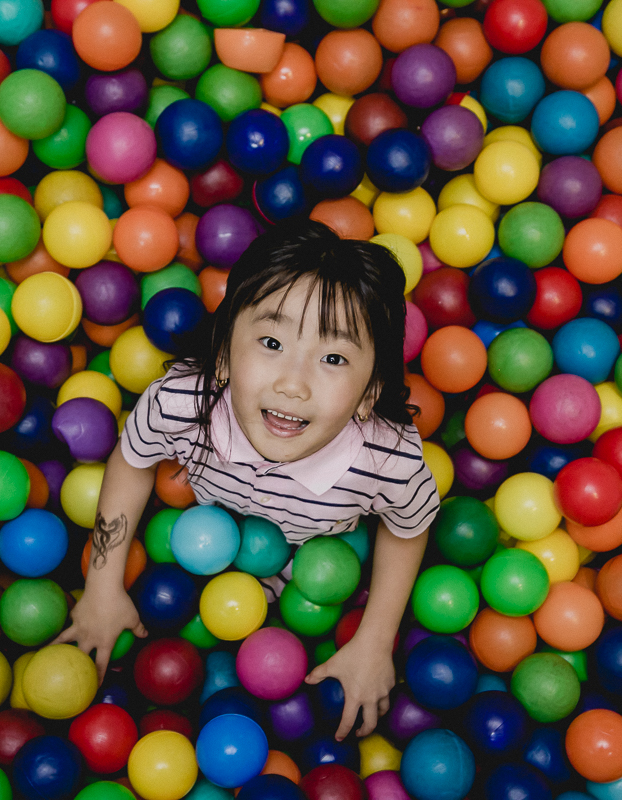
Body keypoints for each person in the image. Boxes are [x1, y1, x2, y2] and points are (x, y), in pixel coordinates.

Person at [58, 219, 439, 740]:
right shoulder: (181, 404)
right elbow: (133, 460)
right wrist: (103, 586)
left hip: (312, 567)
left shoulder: (385, 459)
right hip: (202, 541)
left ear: (371, 392)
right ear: (222, 355)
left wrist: (374, 639)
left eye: (333, 358)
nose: (293, 383)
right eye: (270, 341)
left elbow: (408, 526)